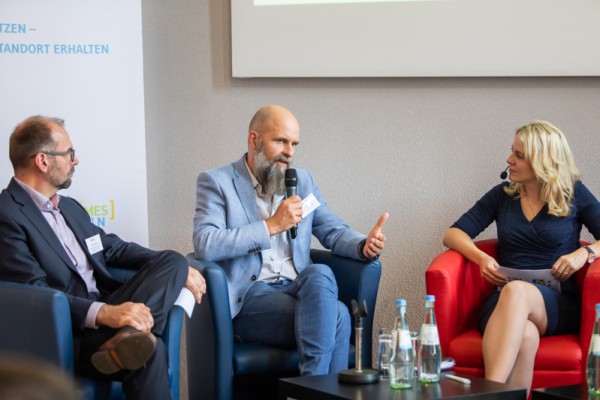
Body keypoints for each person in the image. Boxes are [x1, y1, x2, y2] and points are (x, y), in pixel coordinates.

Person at [0, 115, 206, 400]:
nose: (76, 161)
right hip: (69, 332)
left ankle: (130, 336)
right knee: (150, 350)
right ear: (43, 161)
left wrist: (178, 269)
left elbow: (111, 248)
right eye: (69, 153)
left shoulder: (69, 207)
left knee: (173, 260)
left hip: (108, 309)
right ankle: (134, 338)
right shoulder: (7, 214)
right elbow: (37, 294)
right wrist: (105, 313)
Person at [193, 104, 388, 375]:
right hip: (250, 296)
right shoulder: (218, 182)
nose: (290, 152)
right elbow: (205, 243)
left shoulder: (302, 181)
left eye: (294, 143)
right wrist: (271, 226)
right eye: (281, 141)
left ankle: (309, 391)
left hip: (299, 286)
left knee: (320, 272)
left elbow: (332, 229)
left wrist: (362, 244)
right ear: (254, 139)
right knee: (340, 316)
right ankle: (315, 391)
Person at [443, 120, 600, 394]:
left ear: (543, 162)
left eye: (519, 155)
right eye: (512, 151)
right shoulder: (503, 196)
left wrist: (583, 253)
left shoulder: (573, 194)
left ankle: (488, 394)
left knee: (516, 292)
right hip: (502, 301)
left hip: (557, 302)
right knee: (525, 335)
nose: (509, 159)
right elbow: (453, 234)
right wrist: (480, 258)